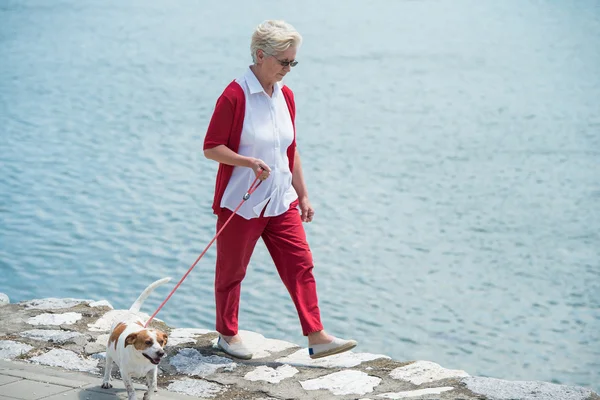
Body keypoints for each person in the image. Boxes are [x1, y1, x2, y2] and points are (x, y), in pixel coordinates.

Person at [203, 20, 357, 360]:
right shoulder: (234, 96)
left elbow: (291, 149)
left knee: (300, 264)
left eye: (293, 62)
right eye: (283, 62)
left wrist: (302, 194)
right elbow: (211, 147)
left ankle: (316, 336)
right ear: (260, 55)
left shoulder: (285, 96)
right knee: (232, 272)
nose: (289, 69)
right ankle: (227, 336)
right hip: (241, 204)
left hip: (280, 200)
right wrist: (247, 161)